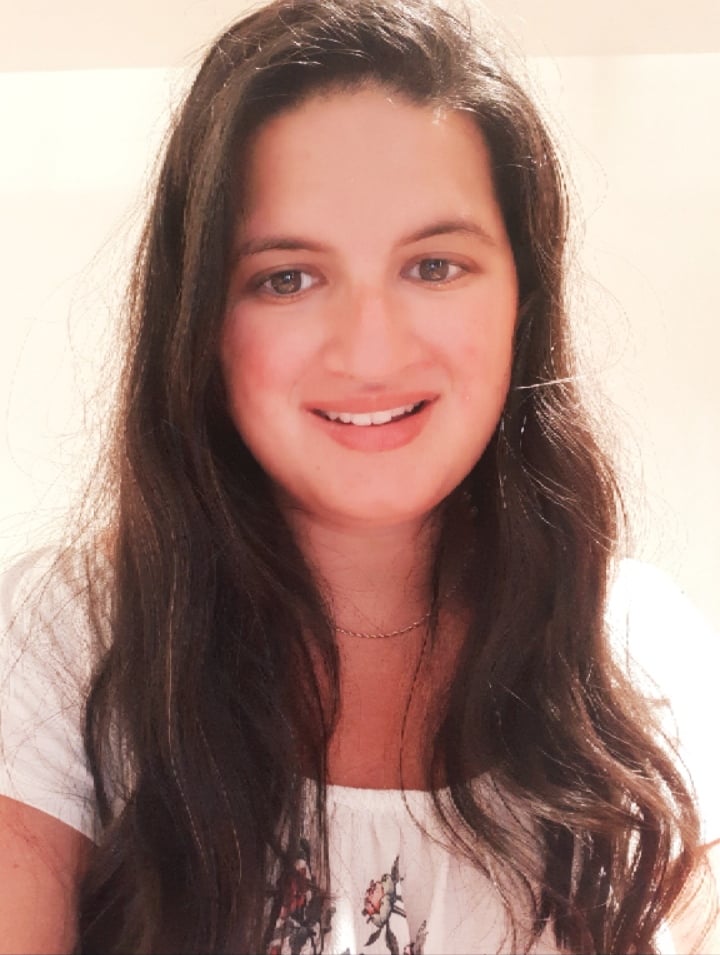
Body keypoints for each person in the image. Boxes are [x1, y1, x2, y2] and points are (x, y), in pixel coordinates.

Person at [0, 0, 718, 952]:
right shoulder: (69, 636)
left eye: (435, 265)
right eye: (288, 277)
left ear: (524, 298)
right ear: (201, 322)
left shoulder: (639, 655)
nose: (371, 351)